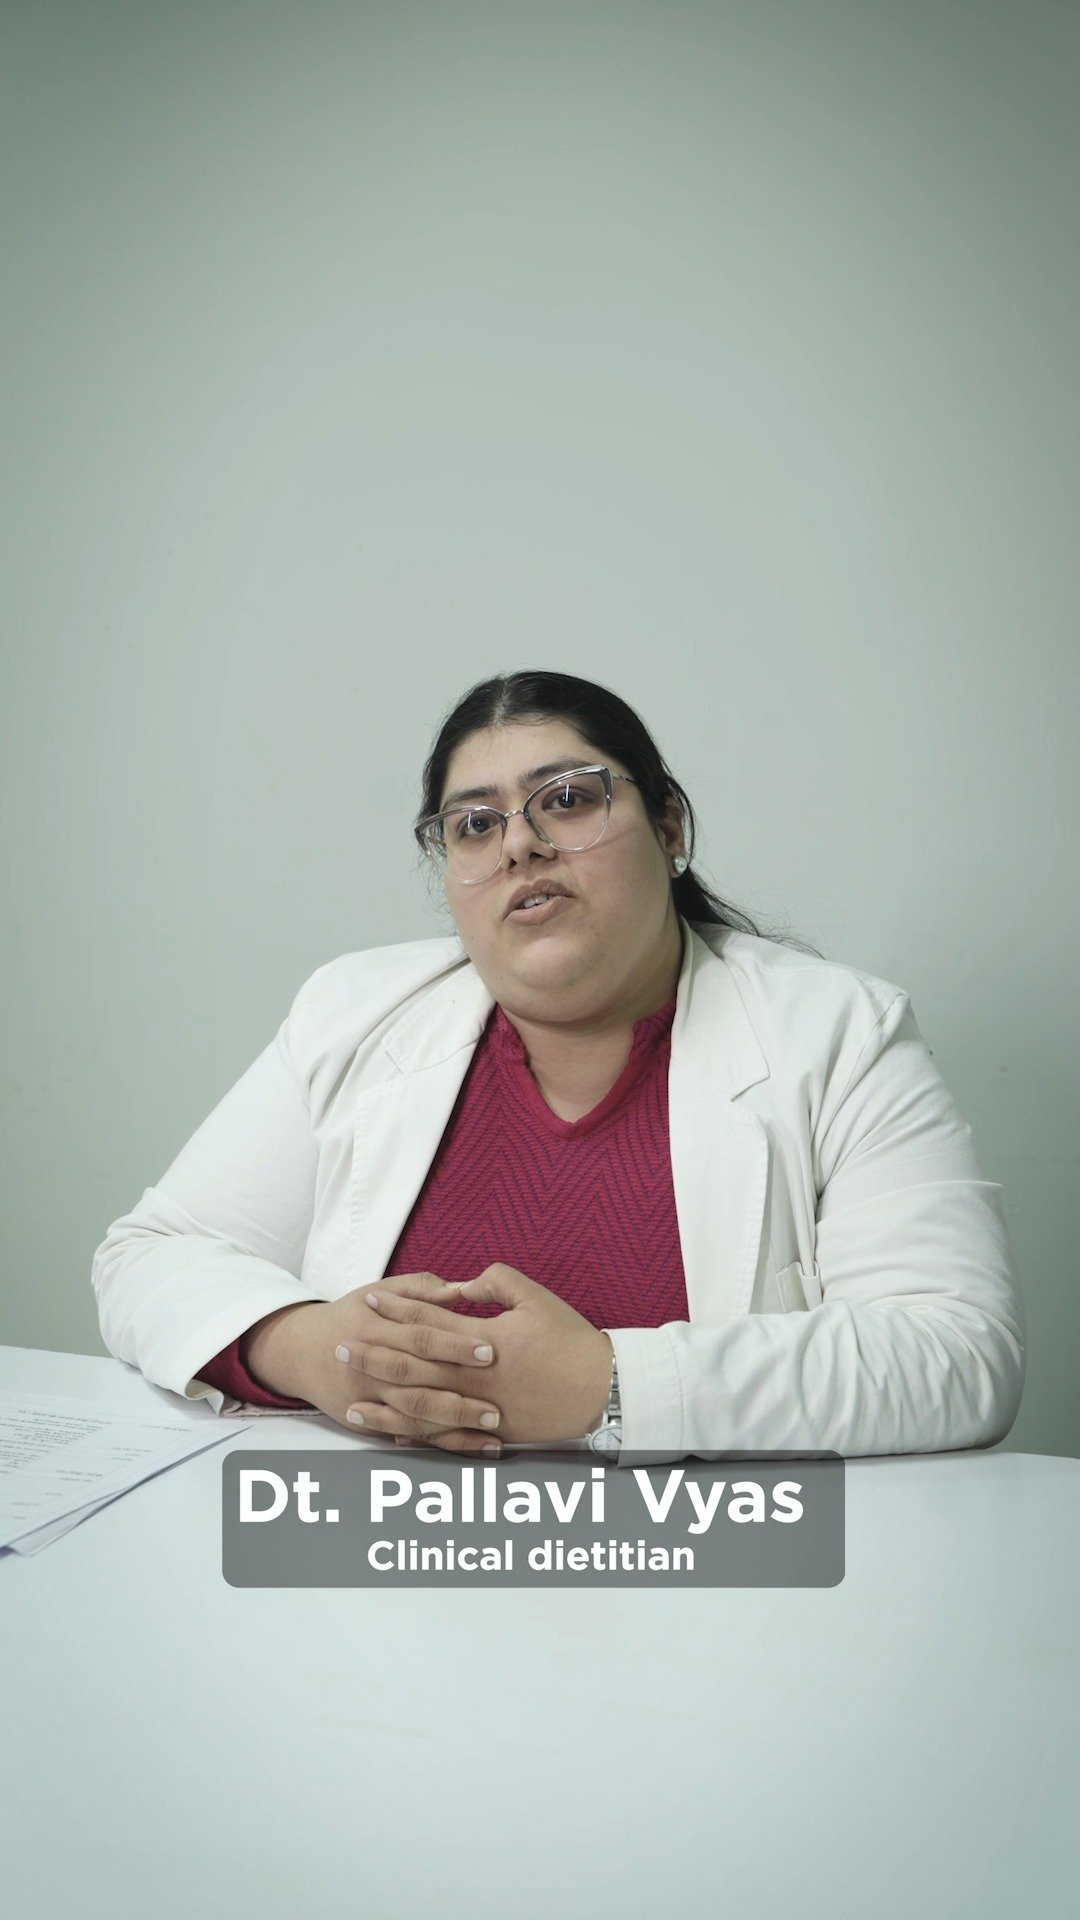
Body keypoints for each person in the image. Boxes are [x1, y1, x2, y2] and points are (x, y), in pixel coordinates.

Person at [91, 670, 1025, 1462]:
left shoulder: (837, 1033)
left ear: (669, 828)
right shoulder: (351, 1013)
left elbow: (958, 1352)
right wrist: (308, 1348)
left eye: (569, 799)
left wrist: (604, 1386)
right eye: (474, 824)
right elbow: (149, 1257)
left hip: (714, 1576)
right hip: (388, 1564)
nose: (519, 844)